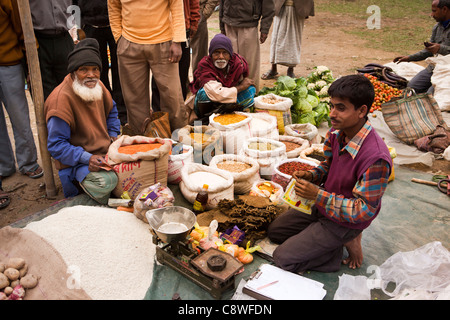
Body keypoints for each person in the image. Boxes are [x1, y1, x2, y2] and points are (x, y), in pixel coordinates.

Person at [268, 74, 392, 273]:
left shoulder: (376, 158)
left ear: (362, 111)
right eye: (332, 106)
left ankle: (336, 251)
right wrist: (313, 176)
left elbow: (364, 210)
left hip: (346, 221)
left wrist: (317, 194)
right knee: (275, 232)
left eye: (341, 108)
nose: (332, 114)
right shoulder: (336, 134)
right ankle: (328, 240)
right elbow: (328, 166)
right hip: (324, 206)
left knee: (282, 258)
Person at [45, 38, 120, 204]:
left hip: (105, 154)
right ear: (73, 73)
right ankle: (80, 189)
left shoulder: (98, 85)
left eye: (95, 69)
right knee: (106, 183)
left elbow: (112, 112)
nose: (91, 75)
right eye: (83, 70)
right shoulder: (61, 101)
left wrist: (113, 135)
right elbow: (56, 146)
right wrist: (87, 158)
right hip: (77, 164)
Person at [108, 0, 188, 135]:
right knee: (134, 100)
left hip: (164, 43)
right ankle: (142, 143)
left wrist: (177, 41)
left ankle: (179, 141)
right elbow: (113, 7)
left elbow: (176, 6)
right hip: (129, 44)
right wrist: (119, 38)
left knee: (172, 97)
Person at [0, 0, 43, 192]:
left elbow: (21, 26)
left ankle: (27, 162)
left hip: (8, 62)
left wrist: (29, 59)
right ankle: (4, 166)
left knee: (18, 114)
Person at [76, 0, 128, 126]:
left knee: (119, 69)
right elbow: (72, 4)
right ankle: (104, 110)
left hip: (115, 24)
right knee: (97, 70)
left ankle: (122, 112)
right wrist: (78, 26)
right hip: (89, 26)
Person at [189, 33, 256, 119]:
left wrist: (245, 85)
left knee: (250, 90)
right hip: (212, 99)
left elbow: (245, 78)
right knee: (203, 93)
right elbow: (216, 93)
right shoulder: (205, 65)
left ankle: (228, 114)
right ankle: (205, 120)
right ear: (211, 54)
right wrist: (241, 87)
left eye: (225, 53)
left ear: (230, 55)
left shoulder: (238, 63)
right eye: (217, 53)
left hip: (229, 98)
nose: (221, 57)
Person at [151, 0, 200, 111]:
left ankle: (179, 111)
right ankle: (158, 113)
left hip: (182, 28)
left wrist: (193, 22)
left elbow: (194, 3)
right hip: (159, 29)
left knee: (181, 73)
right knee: (158, 73)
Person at [393, 0, 450, 93]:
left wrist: (440, 48)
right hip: (435, 67)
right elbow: (428, 51)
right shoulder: (437, 28)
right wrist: (408, 58)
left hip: (448, 71)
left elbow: (439, 48)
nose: (431, 14)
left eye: (434, 11)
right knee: (411, 88)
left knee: (432, 95)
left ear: (444, 9)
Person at [219, 0, 275, 92]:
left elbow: (268, 6)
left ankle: (251, 93)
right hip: (228, 23)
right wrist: (222, 25)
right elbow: (222, 2)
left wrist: (264, 29)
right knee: (230, 62)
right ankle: (232, 94)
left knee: (249, 63)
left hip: (249, 24)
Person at [29, 0, 75, 101]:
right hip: (38, 41)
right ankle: (50, 116)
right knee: (45, 93)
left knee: (72, 86)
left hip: (64, 38)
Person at [261, 0, 315, 80]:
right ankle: (273, 68)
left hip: (298, 8)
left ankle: (290, 69)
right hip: (280, 6)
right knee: (277, 37)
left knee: (294, 38)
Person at [190, 0, 219, 73]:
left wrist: (205, 13)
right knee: (180, 56)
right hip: (179, 14)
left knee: (199, 55)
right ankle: (184, 83)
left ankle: (199, 80)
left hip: (198, 12)